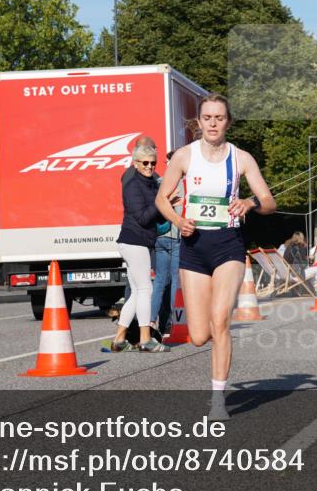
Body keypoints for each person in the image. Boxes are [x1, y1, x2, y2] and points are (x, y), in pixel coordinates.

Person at [156, 93, 276, 420]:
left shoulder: (241, 158)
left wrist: (250, 203)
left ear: (228, 122)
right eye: (207, 118)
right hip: (193, 246)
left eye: (219, 118)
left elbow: (269, 201)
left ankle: (218, 400)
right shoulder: (184, 156)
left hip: (228, 245)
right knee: (198, 336)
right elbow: (162, 199)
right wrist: (178, 220)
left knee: (220, 320)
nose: (212, 124)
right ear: (199, 121)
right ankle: (215, 350)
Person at [111, 144, 168, 353]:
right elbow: (143, 218)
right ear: (135, 163)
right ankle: (145, 339)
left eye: (153, 162)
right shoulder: (133, 185)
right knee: (146, 289)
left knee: (137, 292)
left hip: (138, 241)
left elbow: (155, 216)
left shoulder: (151, 184)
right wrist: (161, 203)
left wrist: (167, 204)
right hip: (134, 241)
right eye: (145, 162)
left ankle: (119, 340)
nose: (150, 166)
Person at [150, 152, 184, 335]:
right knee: (175, 281)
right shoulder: (184, 184)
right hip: (175, 237)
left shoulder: (159, 182)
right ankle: (174, 322)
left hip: (159, 236)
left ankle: (150, 322)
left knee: (159, 281)